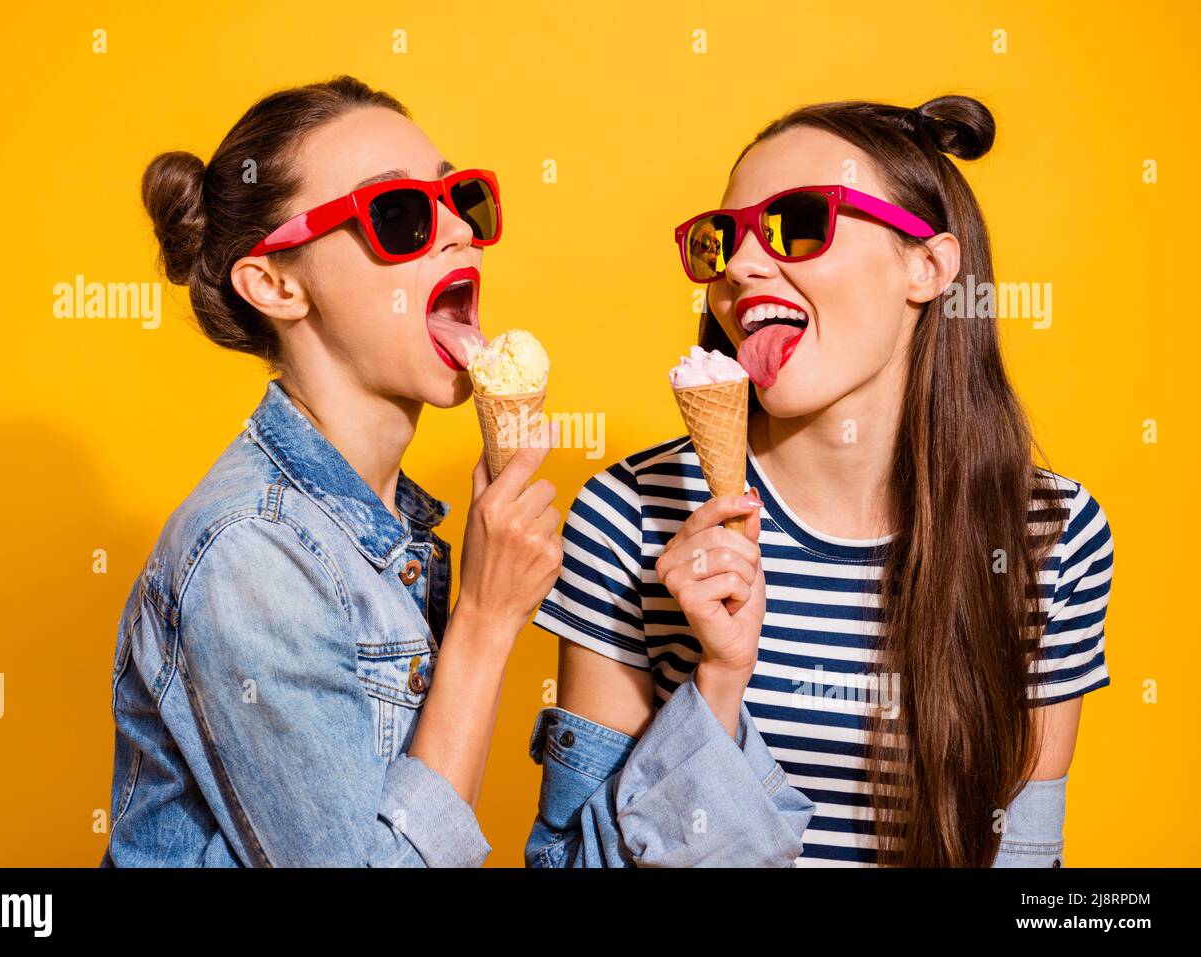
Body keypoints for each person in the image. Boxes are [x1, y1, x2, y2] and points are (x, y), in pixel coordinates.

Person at [527, 95, 1112, 867]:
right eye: (720, 240)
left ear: (928, 266)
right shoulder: (630, 514)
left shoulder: (1049, 534)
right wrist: (718, 689)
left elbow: (1028, 864)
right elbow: (570, 867)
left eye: (800, 223)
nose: (739, 267)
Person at [101, 75, 561, 867]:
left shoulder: (387, 536)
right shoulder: (253, 550)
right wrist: (486, 622)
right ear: (275, 283)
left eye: (463, 197)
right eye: (400, 216)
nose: (459, 230)